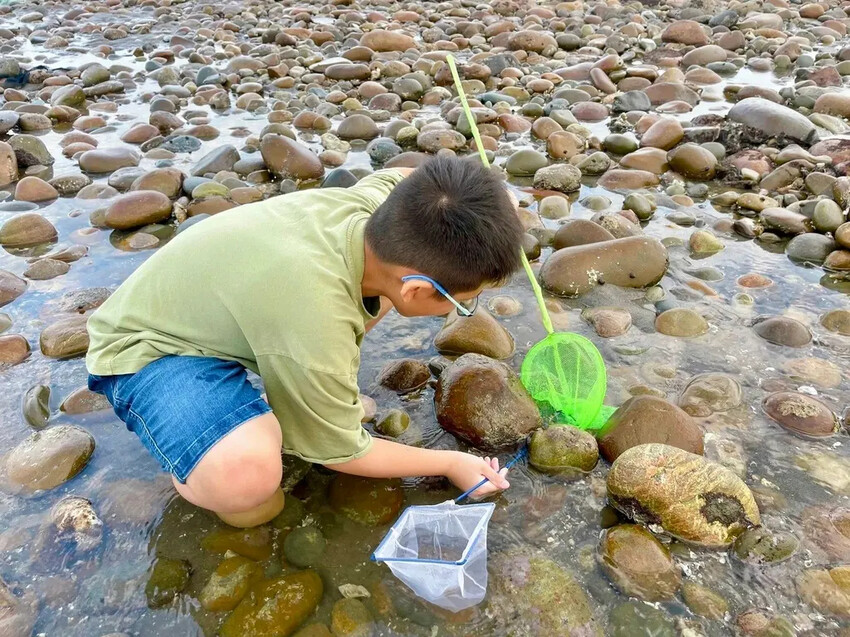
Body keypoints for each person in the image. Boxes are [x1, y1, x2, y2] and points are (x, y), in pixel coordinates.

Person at [86, 155, 524, 528]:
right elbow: (339, 455)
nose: (461, 311)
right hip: (149, 348)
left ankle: (304, 400)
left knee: (366, 301)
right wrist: (450, 463)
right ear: (415, 290)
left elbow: (413, 173)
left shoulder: (385, 207)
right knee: (249, 488)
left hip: (217, 306)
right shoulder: (315, 309)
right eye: (463, 302)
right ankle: (199, 462)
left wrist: (496, 203)